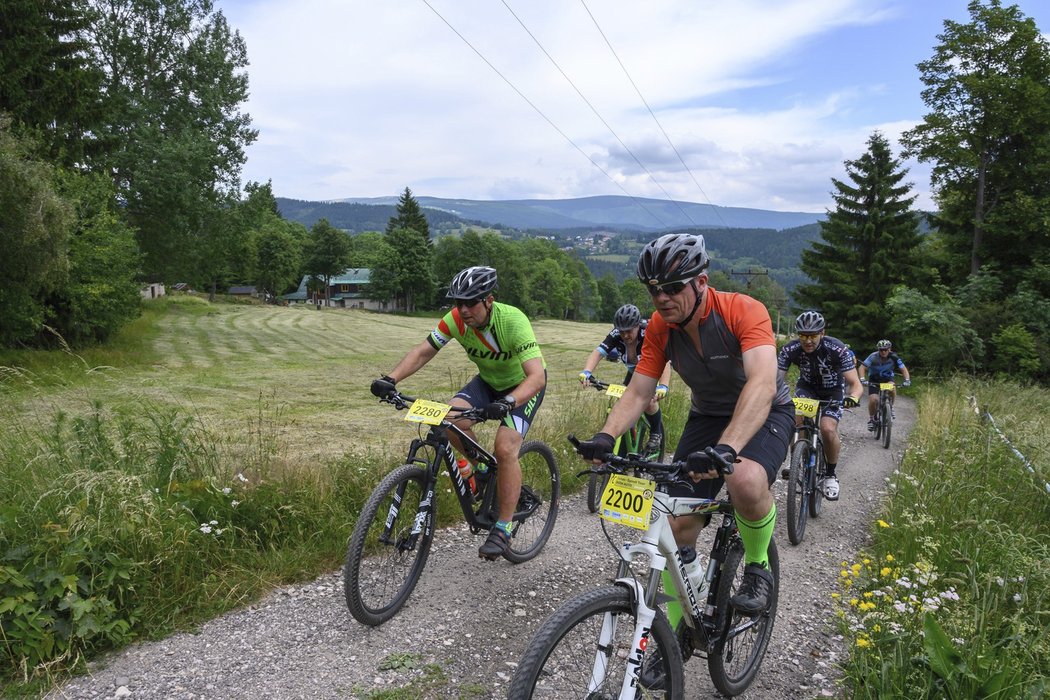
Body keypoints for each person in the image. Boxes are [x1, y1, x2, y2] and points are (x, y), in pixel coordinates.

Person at [575, 233, 794, 618]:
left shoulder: (744, 310)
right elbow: (639, 391)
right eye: (653, 289)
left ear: (702, 283)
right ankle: (680, 629)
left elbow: (760, 382)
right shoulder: (661, 327)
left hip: (765, 409)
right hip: (708, 414)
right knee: (673, 523)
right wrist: (606, 436)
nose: (662, 298)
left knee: (743, 479)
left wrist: (728, 448)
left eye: (673, 288)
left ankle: (758, 565)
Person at [369, 266, 547, 560]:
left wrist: (508, 401)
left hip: (523, 387)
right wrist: (391, 379)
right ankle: (480, 471)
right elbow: (424, 351)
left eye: (470, 302)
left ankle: (502, 528)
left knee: (505, 448)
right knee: (450, 418)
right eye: (458, 303)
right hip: (488, 383)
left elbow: (536, 376)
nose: (463, 310)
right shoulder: (455, 320)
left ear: (489, 300)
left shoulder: (513, 321)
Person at [776, 311, 863, 501]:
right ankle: (796, 459)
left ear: (822, 333)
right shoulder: (790, 350)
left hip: (833, 391)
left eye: (812, 335)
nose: (807, 341)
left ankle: (831, 475)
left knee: (827, 428)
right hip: (807, 388)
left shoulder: (837, 349)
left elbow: (855, 383)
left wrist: (854, 397)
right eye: (803, 335)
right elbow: (775, 380)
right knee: (797, 420)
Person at [578, 303, 672, 455]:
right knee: (623, 405)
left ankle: (656, 433)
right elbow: (598, 353)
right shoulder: (616, 334)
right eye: (622, 332)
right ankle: (622, 449)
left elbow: (665, 361)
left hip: (653, 370)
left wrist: (663, 386)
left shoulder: (648, 332)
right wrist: (587, 371)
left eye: (629, 331)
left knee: (649, 401)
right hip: (634, 372)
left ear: (637, 326)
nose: (625, 335)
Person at [858, 339, 911, 430]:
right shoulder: (873, 356)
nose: (883, 352)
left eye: (885, 349)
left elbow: (903, 369)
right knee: (873, 399)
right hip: (874, 380)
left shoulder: (894, 357)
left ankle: (891, 407)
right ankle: (871, 419)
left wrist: (907, 380)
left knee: (892, 387)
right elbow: (862, 367)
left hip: (887, 379)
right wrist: (862, 379)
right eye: (881, 350)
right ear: (878, 349)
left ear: (889, 349)